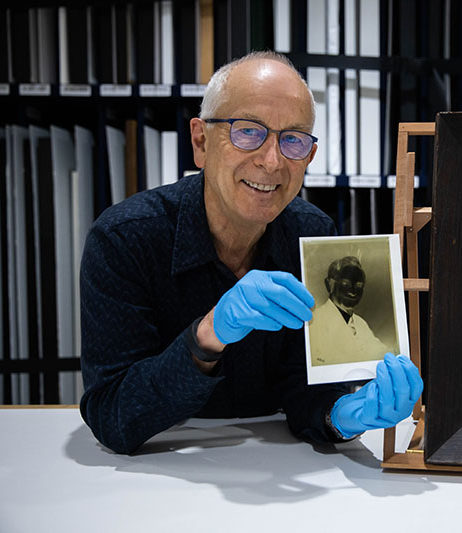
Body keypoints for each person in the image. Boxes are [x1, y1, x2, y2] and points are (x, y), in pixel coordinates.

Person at [79, 51, 422, 454]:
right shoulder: (124, 239)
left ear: (309, 157)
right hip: (162, 470)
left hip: (279, 463)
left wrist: (343, 414)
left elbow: (303, 388)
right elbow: (112, 415)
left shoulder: (311, 233)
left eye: (292, 139)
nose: (272, 161)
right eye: (247, 131)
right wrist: (207, 336)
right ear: (200, 141)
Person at [309, 256, 393, 366]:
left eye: (359, 286)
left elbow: (382, 353)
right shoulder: (315, 321)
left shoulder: (360, 323)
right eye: (346, 284)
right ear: (330, 284)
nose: (353, 292)